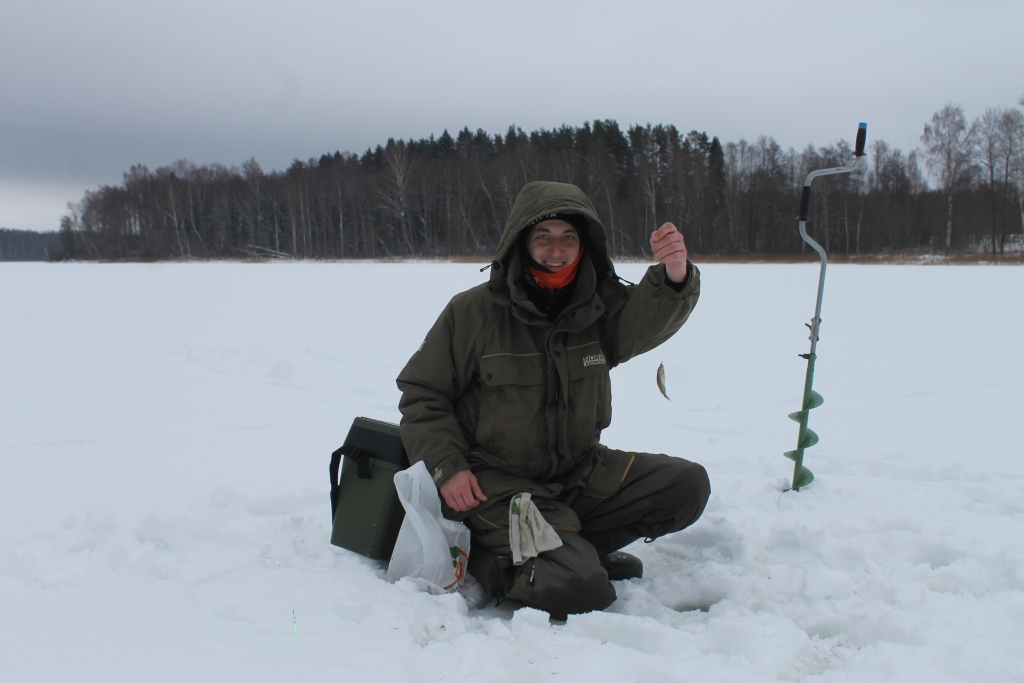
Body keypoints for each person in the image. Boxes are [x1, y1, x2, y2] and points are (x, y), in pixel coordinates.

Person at [396, 180, 710, 619]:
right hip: (497, 484)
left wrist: (675, 274)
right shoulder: (473, 312)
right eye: (543, 237)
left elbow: (645, 320)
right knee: (581, 590)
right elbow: (423, 395)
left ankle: (573, 546)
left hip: (578, 472)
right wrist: (449, 467)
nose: (556, 249)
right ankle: (489, 562)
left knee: (686, 486)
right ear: (521, 242)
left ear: (585, 246)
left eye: (568, 238)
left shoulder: (598, 306)